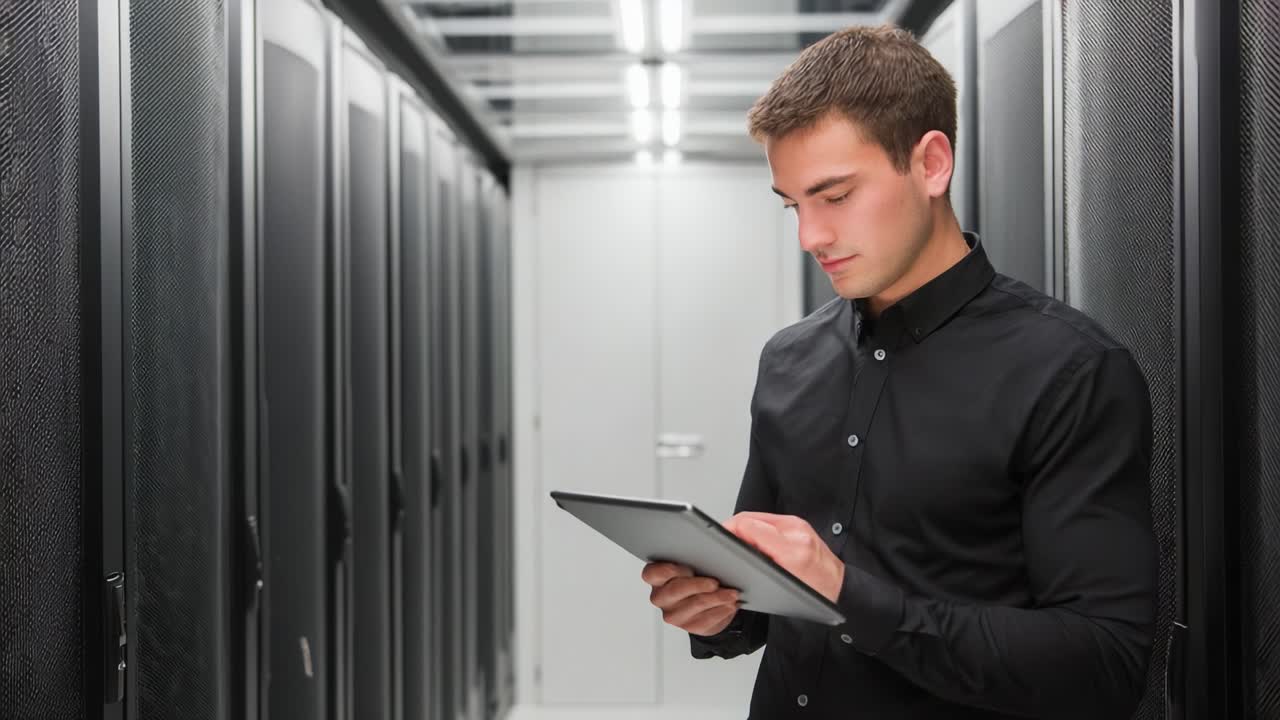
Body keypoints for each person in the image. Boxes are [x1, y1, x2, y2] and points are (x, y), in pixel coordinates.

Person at [639, 24, 1157, 719]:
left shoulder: (1069, 371)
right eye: (794, 204)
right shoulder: (789, 361)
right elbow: (765, 596)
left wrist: (849, 593)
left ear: (931, 163)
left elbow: (1104, 662)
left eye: (836, 195)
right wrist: (721, 611)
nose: (809, 237)